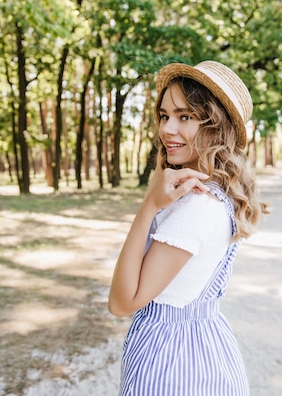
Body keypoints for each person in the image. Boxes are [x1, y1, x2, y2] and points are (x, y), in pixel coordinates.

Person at [108, 60, 268, 396]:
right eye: (164, 116)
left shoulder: (198, 204)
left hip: (171, 365)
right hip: (199, 351)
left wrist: (148, 206)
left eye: (185, 116)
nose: (167, 129)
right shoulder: (209, 193)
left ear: (215, 126)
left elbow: (122, 303)